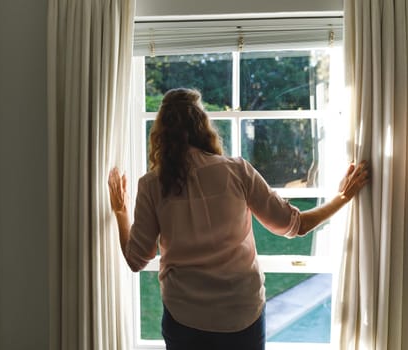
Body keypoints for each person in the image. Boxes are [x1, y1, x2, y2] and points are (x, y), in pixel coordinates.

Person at [107, 88, 369, 350]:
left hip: (184, 317)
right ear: (203, 126)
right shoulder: (237, 171)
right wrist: (342, 198)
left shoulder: (152, 184)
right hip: (242, 314)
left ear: (161, 132)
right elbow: (295, 225)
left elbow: (136, 259)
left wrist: (120, 213)